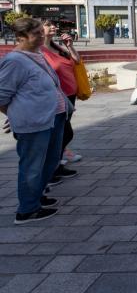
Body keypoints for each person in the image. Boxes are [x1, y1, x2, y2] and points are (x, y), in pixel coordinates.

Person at [0, 18, 69, 224]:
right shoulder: (14, 61)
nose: (42, 36)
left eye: (41, 31)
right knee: (32, 166)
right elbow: (2, 96)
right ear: (20, 37)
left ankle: (36, 197)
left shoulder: (37, 54)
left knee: (50, 162)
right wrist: (15, 115)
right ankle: (27, 210)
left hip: (53, 117)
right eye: (36, 33)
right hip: (34, 123)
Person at [41, 20, 80, 182]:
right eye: (48, 25)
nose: (53, 27)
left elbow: (76, 61)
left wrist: (70, 45)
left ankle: (56, 165)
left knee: (63, 133)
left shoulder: (57, 47)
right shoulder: (39, 51)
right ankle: (52, 168)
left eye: (53, 25)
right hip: (57, 97)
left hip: (70, 95)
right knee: (64, 133)